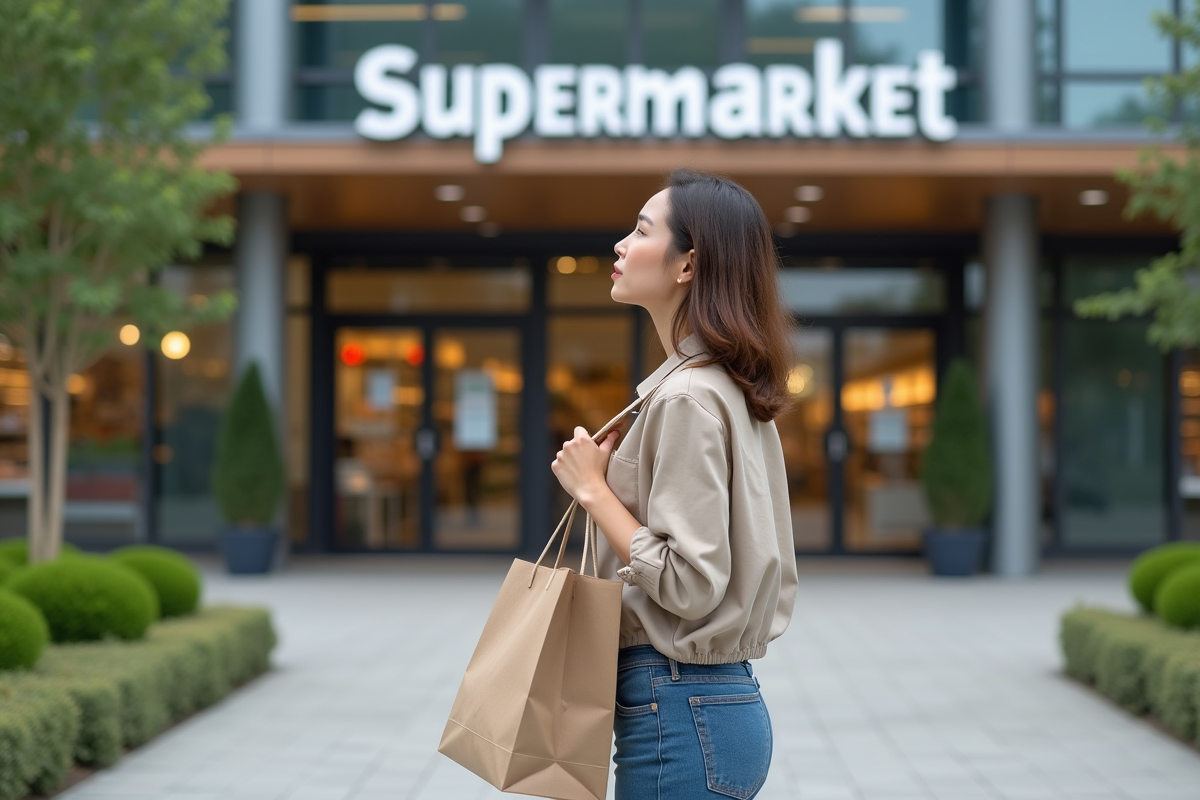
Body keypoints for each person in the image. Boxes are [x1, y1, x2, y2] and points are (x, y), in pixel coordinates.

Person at [551, 168, 799, 799]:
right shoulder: (720, 387)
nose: (619, 246)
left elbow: (690, 581)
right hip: (703, 704)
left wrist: (593, 491)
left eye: (639, 230)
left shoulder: (687, 395)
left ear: (688, 265)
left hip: (679, 702)